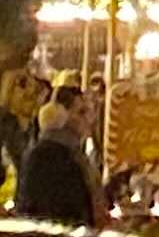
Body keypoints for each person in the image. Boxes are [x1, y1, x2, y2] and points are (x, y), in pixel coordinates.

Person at [15, 83, 99, 227]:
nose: (89, 119)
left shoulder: (73, 152)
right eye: (81, 112)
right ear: (60, 116)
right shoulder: (51, 156)